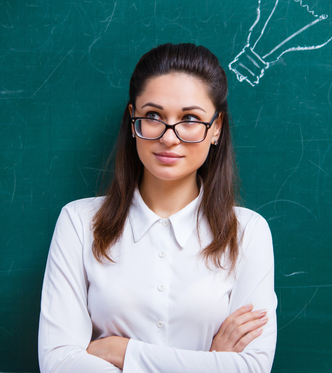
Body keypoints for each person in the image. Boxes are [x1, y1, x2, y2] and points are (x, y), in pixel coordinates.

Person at [38, 43, 277, 372]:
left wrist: (124, 353)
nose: (169, 137)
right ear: (132, 120)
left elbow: (251, 368)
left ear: (216, 128)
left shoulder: (247, 232)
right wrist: (210, 362)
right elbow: (59, 362)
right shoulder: (79, 223)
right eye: (153, 116)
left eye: (190, 119)